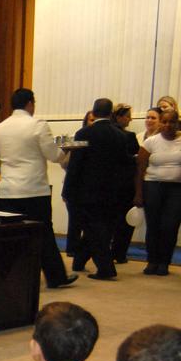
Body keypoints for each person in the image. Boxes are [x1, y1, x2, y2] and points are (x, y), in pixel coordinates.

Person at [0, 88, 77, 288]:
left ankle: (11, 276)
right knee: (44, 233)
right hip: (34, 189)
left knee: (12, 235)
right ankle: (56, 277)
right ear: (30, 103)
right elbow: (54, 155)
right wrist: (67, 151)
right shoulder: (38, 125)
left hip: (8, 190)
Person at [63, 98, 136, 280]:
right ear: (111, 113)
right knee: (99, 228)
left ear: (93, 113)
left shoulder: (83, 133)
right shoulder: (120, 136)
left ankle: (106, 268)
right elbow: (124, 165)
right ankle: (79, 261)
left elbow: (76, 165)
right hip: (112, 191)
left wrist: (68, 189)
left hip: (88, 191)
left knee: (93, 228)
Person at [135, 108, 181, 276]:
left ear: (177, 123)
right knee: (153, 225)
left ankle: (164, 262)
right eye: (165, 121)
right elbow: (140, 169)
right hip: (153, 186)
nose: (168, 125)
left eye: (172, 122)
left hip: (176, 189)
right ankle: (152, 260)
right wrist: (138, 194)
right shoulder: (150, 142)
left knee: (170, 226)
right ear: (161, 122)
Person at [62, 110, 97, 258]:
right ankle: (72, 249)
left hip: (92, 187)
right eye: (90, 120)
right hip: (75, 185)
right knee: (74, 220)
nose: (93, 123)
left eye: (95, 120)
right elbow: (67, 164)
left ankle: (82, 251)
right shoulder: (79, 138)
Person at [110, 103, 141, 264]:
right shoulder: (128, 136)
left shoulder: (108, 133)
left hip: (108, 184)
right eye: (128, 116)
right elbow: (135, 158)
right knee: (125, 222)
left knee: (109, 220)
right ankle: (119, 253)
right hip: (125, 184)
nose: (130, 119)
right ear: (119, 117)